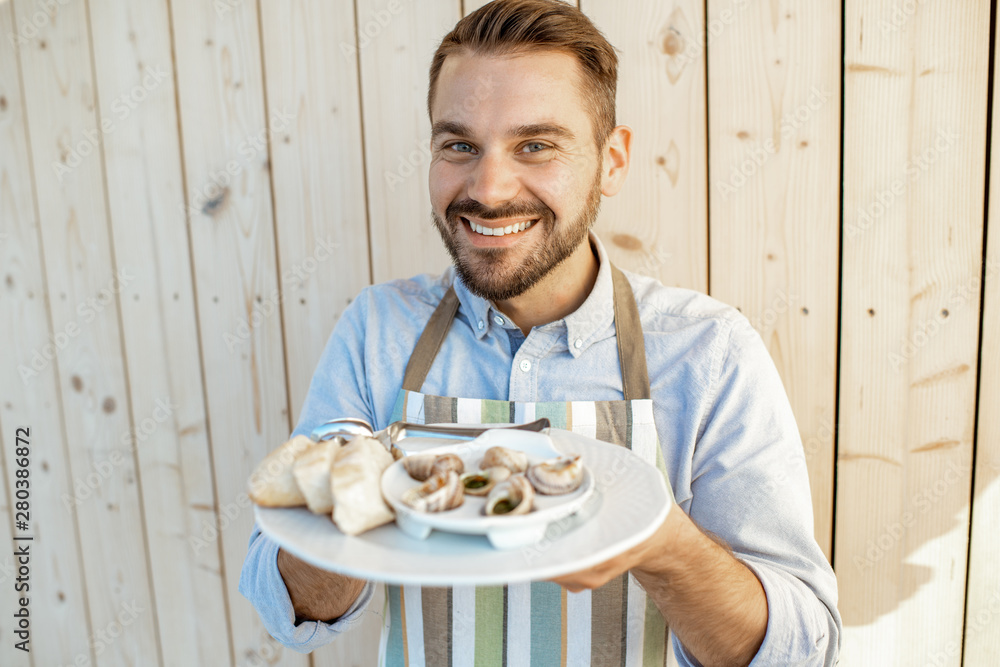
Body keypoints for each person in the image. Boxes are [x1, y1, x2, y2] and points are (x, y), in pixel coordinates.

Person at [240, 1, 841, 664]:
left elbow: (799, 651)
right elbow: (287, 607)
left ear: (612, 161)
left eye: (536, 145)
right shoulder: (376, 331)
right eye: (460, 145)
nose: (490, 189)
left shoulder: (711, 353)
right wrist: (338, 506)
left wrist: (663, 543)